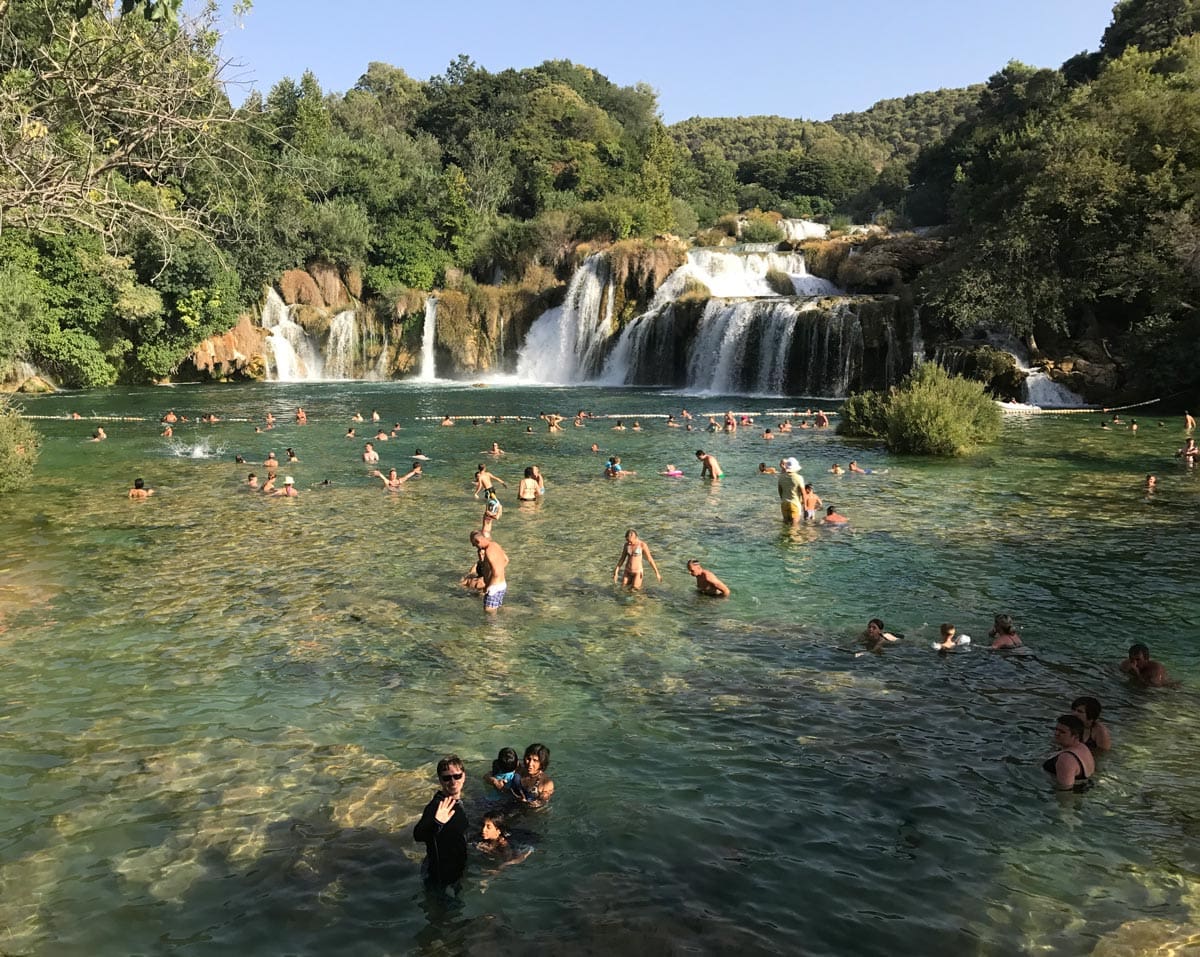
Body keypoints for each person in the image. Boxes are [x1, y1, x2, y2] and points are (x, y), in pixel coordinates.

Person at [413, 755, 470, 888]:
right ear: (440, 780)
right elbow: (418, 835)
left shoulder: (457, 803)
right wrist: (437, 822)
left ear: (464, 776)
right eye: (446, 778)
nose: (453, 782)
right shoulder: (437, 806)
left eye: (457, 776)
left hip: (457, 869)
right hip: (440, 877)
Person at [1043, 715, 1095, 790]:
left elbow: (1065, 791)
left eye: (1062, 732)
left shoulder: (1066, 759)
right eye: (1056, 729)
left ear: (1076, 736)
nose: (1056, 733)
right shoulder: (1083, 747)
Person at [470, 530, 508, 612]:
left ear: (478, 541)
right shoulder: (495, 545)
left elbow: (496, 573)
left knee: (489, 613)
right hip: (502, 584)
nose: (474, 546)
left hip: (494, 587)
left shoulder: (488, 552)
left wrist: (489, 587)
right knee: (497, 609)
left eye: (474, 544)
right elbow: (506, 560)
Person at [777, 457, 805, 525]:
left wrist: (783, 499)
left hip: (784, 503)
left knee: (785, 524)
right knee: (794, 526)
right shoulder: (799, 478)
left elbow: (780, 491)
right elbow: (803, 493)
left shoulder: (781, 477)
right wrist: (805, 506)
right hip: (795, 503)